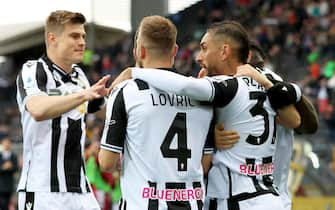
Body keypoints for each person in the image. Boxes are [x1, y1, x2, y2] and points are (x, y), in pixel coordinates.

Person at [113, 21, 301, 210]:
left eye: (204, 49)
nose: (198, 57)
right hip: (271, 195)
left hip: (237, 198)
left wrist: (135, 72)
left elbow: (184, 87)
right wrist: (209, 135)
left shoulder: (224, 86)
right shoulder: (270, 80)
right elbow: (296, 121)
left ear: (224, 51)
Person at [98, 15, 214, 210]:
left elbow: (107, 162)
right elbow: (204, 165)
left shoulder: (127, 91)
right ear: (175, 50)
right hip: (192, 204)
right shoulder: (202, 95)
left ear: (139, 51)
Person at [16, 10, 110, 210]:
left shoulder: (80, 76)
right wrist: (83, 95)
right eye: (74, 36)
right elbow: (37, 109)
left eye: (83, 36)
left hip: (81, 190)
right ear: (52, 38)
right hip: (43, 191)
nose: (82, 42)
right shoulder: (33, 70)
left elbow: (103, 109)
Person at [229, 40, 318, 210]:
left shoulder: (234, 84)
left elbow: (307, 124)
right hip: (276, 196)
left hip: (239, 195)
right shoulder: (278, 82)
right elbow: (310, 125)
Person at [0, 137, 18, 210]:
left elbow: (16, 168)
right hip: (1, 184)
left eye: (8, 142)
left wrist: (10, 167)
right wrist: (3, 167)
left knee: (7, 204)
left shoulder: (13, 156)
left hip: (9, 185)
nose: (7, 144)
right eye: (5, 142)